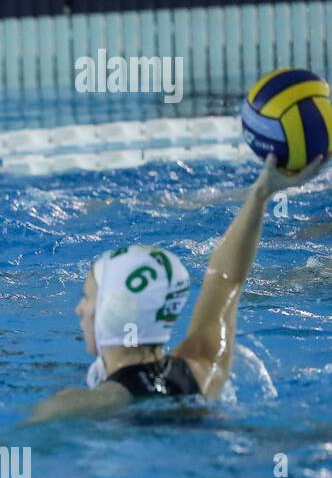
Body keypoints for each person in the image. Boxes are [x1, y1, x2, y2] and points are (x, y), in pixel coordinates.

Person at [28, 153, 329, 421]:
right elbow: (225, 279)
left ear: (114, 311)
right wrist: (261, 194)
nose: (79, 308)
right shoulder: (200, 370)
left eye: (88, 297)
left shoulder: (86, 404)